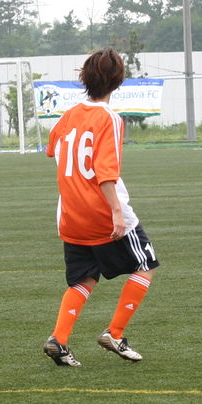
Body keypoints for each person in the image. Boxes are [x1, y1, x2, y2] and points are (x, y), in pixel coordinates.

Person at [41, 48, 158, 367]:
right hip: (101, 211)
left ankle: (59, 340)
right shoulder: (110, 118)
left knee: (83, 279)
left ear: (85, 79)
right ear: (118, 82)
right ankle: (115, 333)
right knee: (145, 265)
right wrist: (117, 212)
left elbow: (52, 150)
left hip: (69, 214)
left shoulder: (68, 115)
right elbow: (106, 172)